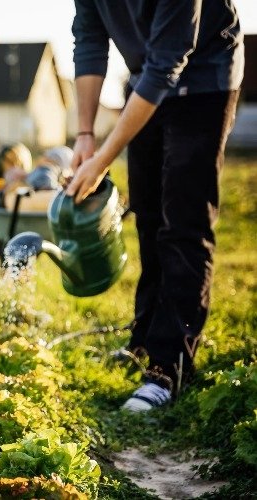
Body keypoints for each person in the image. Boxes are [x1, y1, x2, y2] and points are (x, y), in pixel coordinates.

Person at [66, 1, 243, 412]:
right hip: (147, 74)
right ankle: (145, 339)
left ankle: (169, 365)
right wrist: (86, 134)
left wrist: (103, 159)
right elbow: (89, 39)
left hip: (205, 78)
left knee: (183, 223)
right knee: (147, 214)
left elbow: (169, 61)